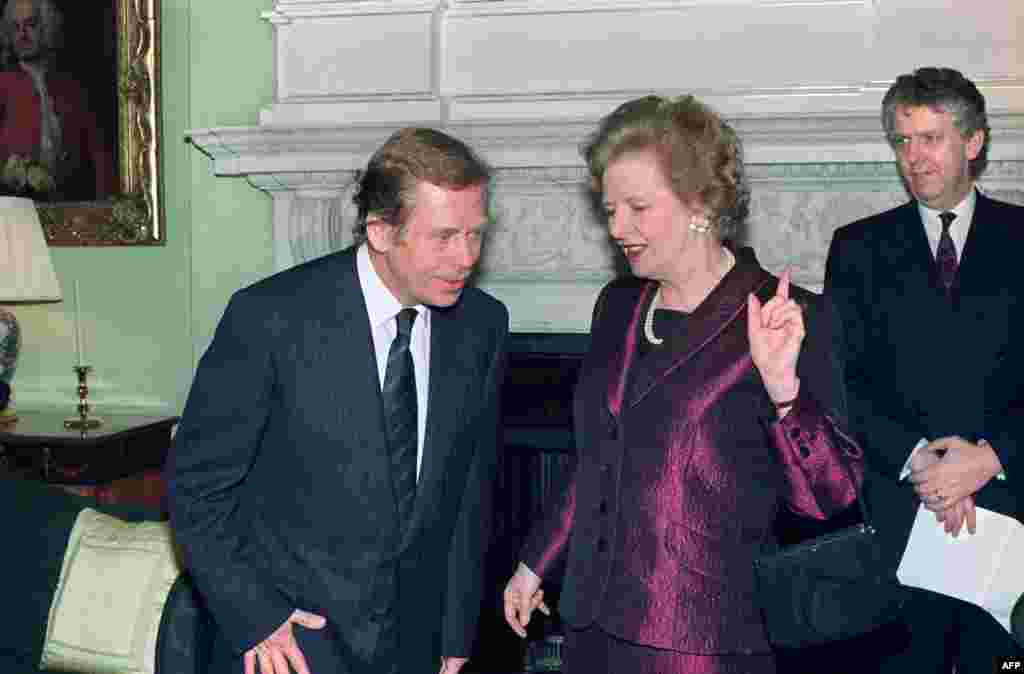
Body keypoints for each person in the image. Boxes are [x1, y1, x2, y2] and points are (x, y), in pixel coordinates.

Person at [502, 94, 863, 674]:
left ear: (700, 203)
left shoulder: (784, 315)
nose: (617, 227)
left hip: (704, 642)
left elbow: (830, 497)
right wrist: (535, 562)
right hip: (593, 630)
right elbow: (596, 454)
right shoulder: (618, 306)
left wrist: (784, 392)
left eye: (637, 207)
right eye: (609, 208)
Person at [166, 128, 509, 674]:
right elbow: (195, 489)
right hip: (292, 643)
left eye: (476, 234)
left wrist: (455, 631)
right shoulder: (270, 318)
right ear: (379, 230)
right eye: (443, 237)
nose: (465, 256)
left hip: (415, 645)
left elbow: (470, 491)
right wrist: (256, 616)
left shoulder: (481, 326)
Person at [825, 67, 1023, 672]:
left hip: (1008, 519)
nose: (913, 157)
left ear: (974, 142)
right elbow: (841, 382)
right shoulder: (857, 247)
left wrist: (988, 458)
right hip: (900, 521)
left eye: (930, 138)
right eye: (902, 141)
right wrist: (922, 464)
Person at [0, 0, 114, 200]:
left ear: (47, 26)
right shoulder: (3, 84)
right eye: (16, 27)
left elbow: (99, 156)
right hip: (16, 209)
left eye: (31, 24)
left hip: (70, 205)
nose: (22, 34)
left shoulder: (72, 88)